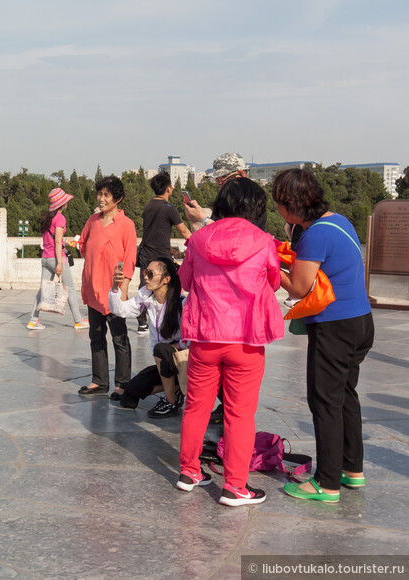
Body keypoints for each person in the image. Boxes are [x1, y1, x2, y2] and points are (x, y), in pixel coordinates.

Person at [176, 177, 284, 506]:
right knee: (239, 415)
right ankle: (235, 486)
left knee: (196, 407)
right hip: (246, 341)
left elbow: (185, 281)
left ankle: (189, 471)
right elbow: (275, 282)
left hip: (205, 338)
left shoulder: (199, 238)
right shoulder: (264, 241)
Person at [273, 168, 374, 503]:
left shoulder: (314, 234)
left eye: (279, 204)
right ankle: (351, 470)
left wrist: (273, 269)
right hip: (360, 322)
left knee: (325, 401)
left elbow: (301, 286)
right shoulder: (339, 221)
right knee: (345, 395)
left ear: (289, 205)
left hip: (335, 327)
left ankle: (327, 483)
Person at [76, 175, 136, 395]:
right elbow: (82, 244)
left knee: (119, 338)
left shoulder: (126, 225)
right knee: (96, 335)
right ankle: (99, 381)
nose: (101, 199)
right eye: (99, 194)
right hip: (93, 287)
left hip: (114, 290)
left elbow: (130, 258)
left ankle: (122, 384)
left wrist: (124, 288)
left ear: (117, 198)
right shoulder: (92, 221)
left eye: (106, 195)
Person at [109, 257, 187, 418]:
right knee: (130, 393)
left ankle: (170, 401)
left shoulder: (182, 304)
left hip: (185, 362)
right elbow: (120, 310)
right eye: (145, 272)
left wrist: (176, 347)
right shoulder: (148, 300)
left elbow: (193, 338)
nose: (145, 277)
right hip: (164, 364)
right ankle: (177, 388)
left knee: (162, 349)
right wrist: (115, 288)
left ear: (166, 279)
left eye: (150, 274)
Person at [135, 173, 191, 333]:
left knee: (145, 287)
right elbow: (184, 231)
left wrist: (171, 249)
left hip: (146, 254)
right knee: (173, 286)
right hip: (161, 258)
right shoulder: (169, 208)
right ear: (168, 188)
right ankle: (169, 321)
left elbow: (155, 232)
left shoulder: (149, 206)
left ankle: (142, 322)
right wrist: (197, 241)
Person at [27, 187, 88, 330]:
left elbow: (53, 239)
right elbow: (56, 242)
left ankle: (33, 320)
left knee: (43, 289)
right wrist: (60, 262)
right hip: (56, 258)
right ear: (62, 203)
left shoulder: (46, 217)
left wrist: (65, 242)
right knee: (71, 288)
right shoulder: (60, 218)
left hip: (45, 258)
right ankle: (78, 321)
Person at [184, 152, 266, 233]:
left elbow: (235, 233)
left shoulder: (252, 198)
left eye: (222, 178)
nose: (219, 183)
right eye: (216, 179)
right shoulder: (224, 198)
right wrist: (194, 220)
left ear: (241, 174)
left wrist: (203, 219)